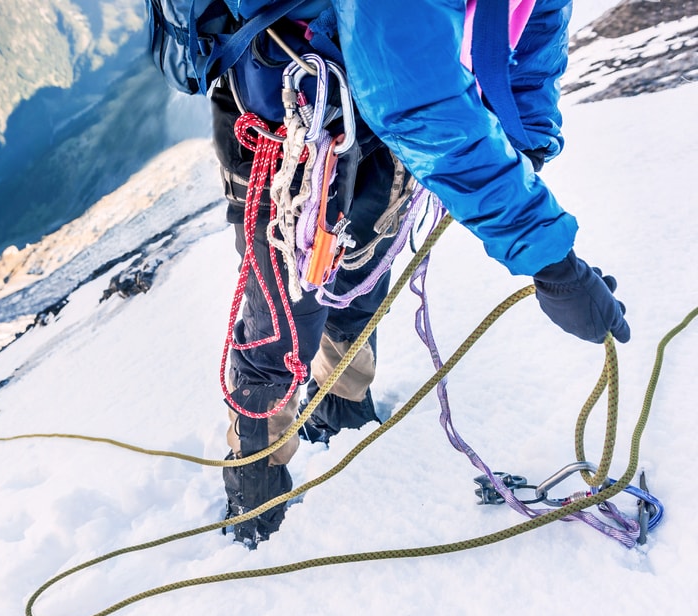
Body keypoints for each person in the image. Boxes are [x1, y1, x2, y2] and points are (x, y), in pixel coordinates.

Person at [203, 0, 631, 548]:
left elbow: (532, 27)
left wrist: (527, 143)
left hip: (375, 107)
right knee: (284, 319)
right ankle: (255, 485)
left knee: (361, 271)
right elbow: (417, 104)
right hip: (289, 119)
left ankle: (342, 404)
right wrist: (553, 264)